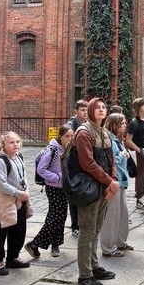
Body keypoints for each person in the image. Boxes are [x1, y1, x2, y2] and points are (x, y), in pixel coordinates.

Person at [72, 97, 119, 285]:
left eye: (103, 107)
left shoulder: (105, 132)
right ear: (90, 110)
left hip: (103, 188)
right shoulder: (84, 132)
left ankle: (94, 266)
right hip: (88, 189)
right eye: (97, 107)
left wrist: (111, 183)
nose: (101, 110)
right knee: (87, 231)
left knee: (96, 229)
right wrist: (110, 182)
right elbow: (88, 164)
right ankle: (84, 276)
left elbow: (111, 160)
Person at [24, 125, 73, 260]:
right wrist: (56, 178)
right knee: (55, 217)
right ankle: (34, 244)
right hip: (53, 187)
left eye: (71, 136)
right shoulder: (52, 150)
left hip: (63, 187)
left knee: (61, 216)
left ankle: (55, 244)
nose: (69, 139)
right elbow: (41, 169)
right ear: (60, 136)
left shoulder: (68, 149)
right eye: (67, 136)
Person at [0, 132, 32, 275]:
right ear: (4, 145)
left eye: (17, 142)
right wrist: (18, 193)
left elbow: (24, 177)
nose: (15, 145)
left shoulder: (19, 157)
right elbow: (1, 184)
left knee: (19, 230)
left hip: (19, 200)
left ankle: (12, 258)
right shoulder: (1, 161)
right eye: (11, 142)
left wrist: (26, 191)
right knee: (1, 232)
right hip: (3, 202)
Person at [100, 113, 133, 257]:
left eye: (125, 123)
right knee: (111, 217)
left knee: (122, 214)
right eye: (122, 124)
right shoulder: (110, 140)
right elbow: (111, 160)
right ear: (114, 125)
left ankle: (120, 241)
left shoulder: (118, 140)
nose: (125, 126)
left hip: (121, 181)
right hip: (114, 181)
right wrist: (122, 155)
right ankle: (108, 247)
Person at [66, 99, 88, 238]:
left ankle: (83, 223)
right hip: (74, 163)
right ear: (76, 111)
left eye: (86, 110)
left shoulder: (87, 123)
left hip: (84, 163)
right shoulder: (71, 125)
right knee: (74, 196)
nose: (85, 112)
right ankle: (75, 226)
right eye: (82, 110)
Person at [126, 97, 144, 210]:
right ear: (138, 108)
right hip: (140, 151)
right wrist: (139, 150)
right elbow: (128, 140)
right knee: (140, 175)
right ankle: (139, 198)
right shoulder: (134, 123)